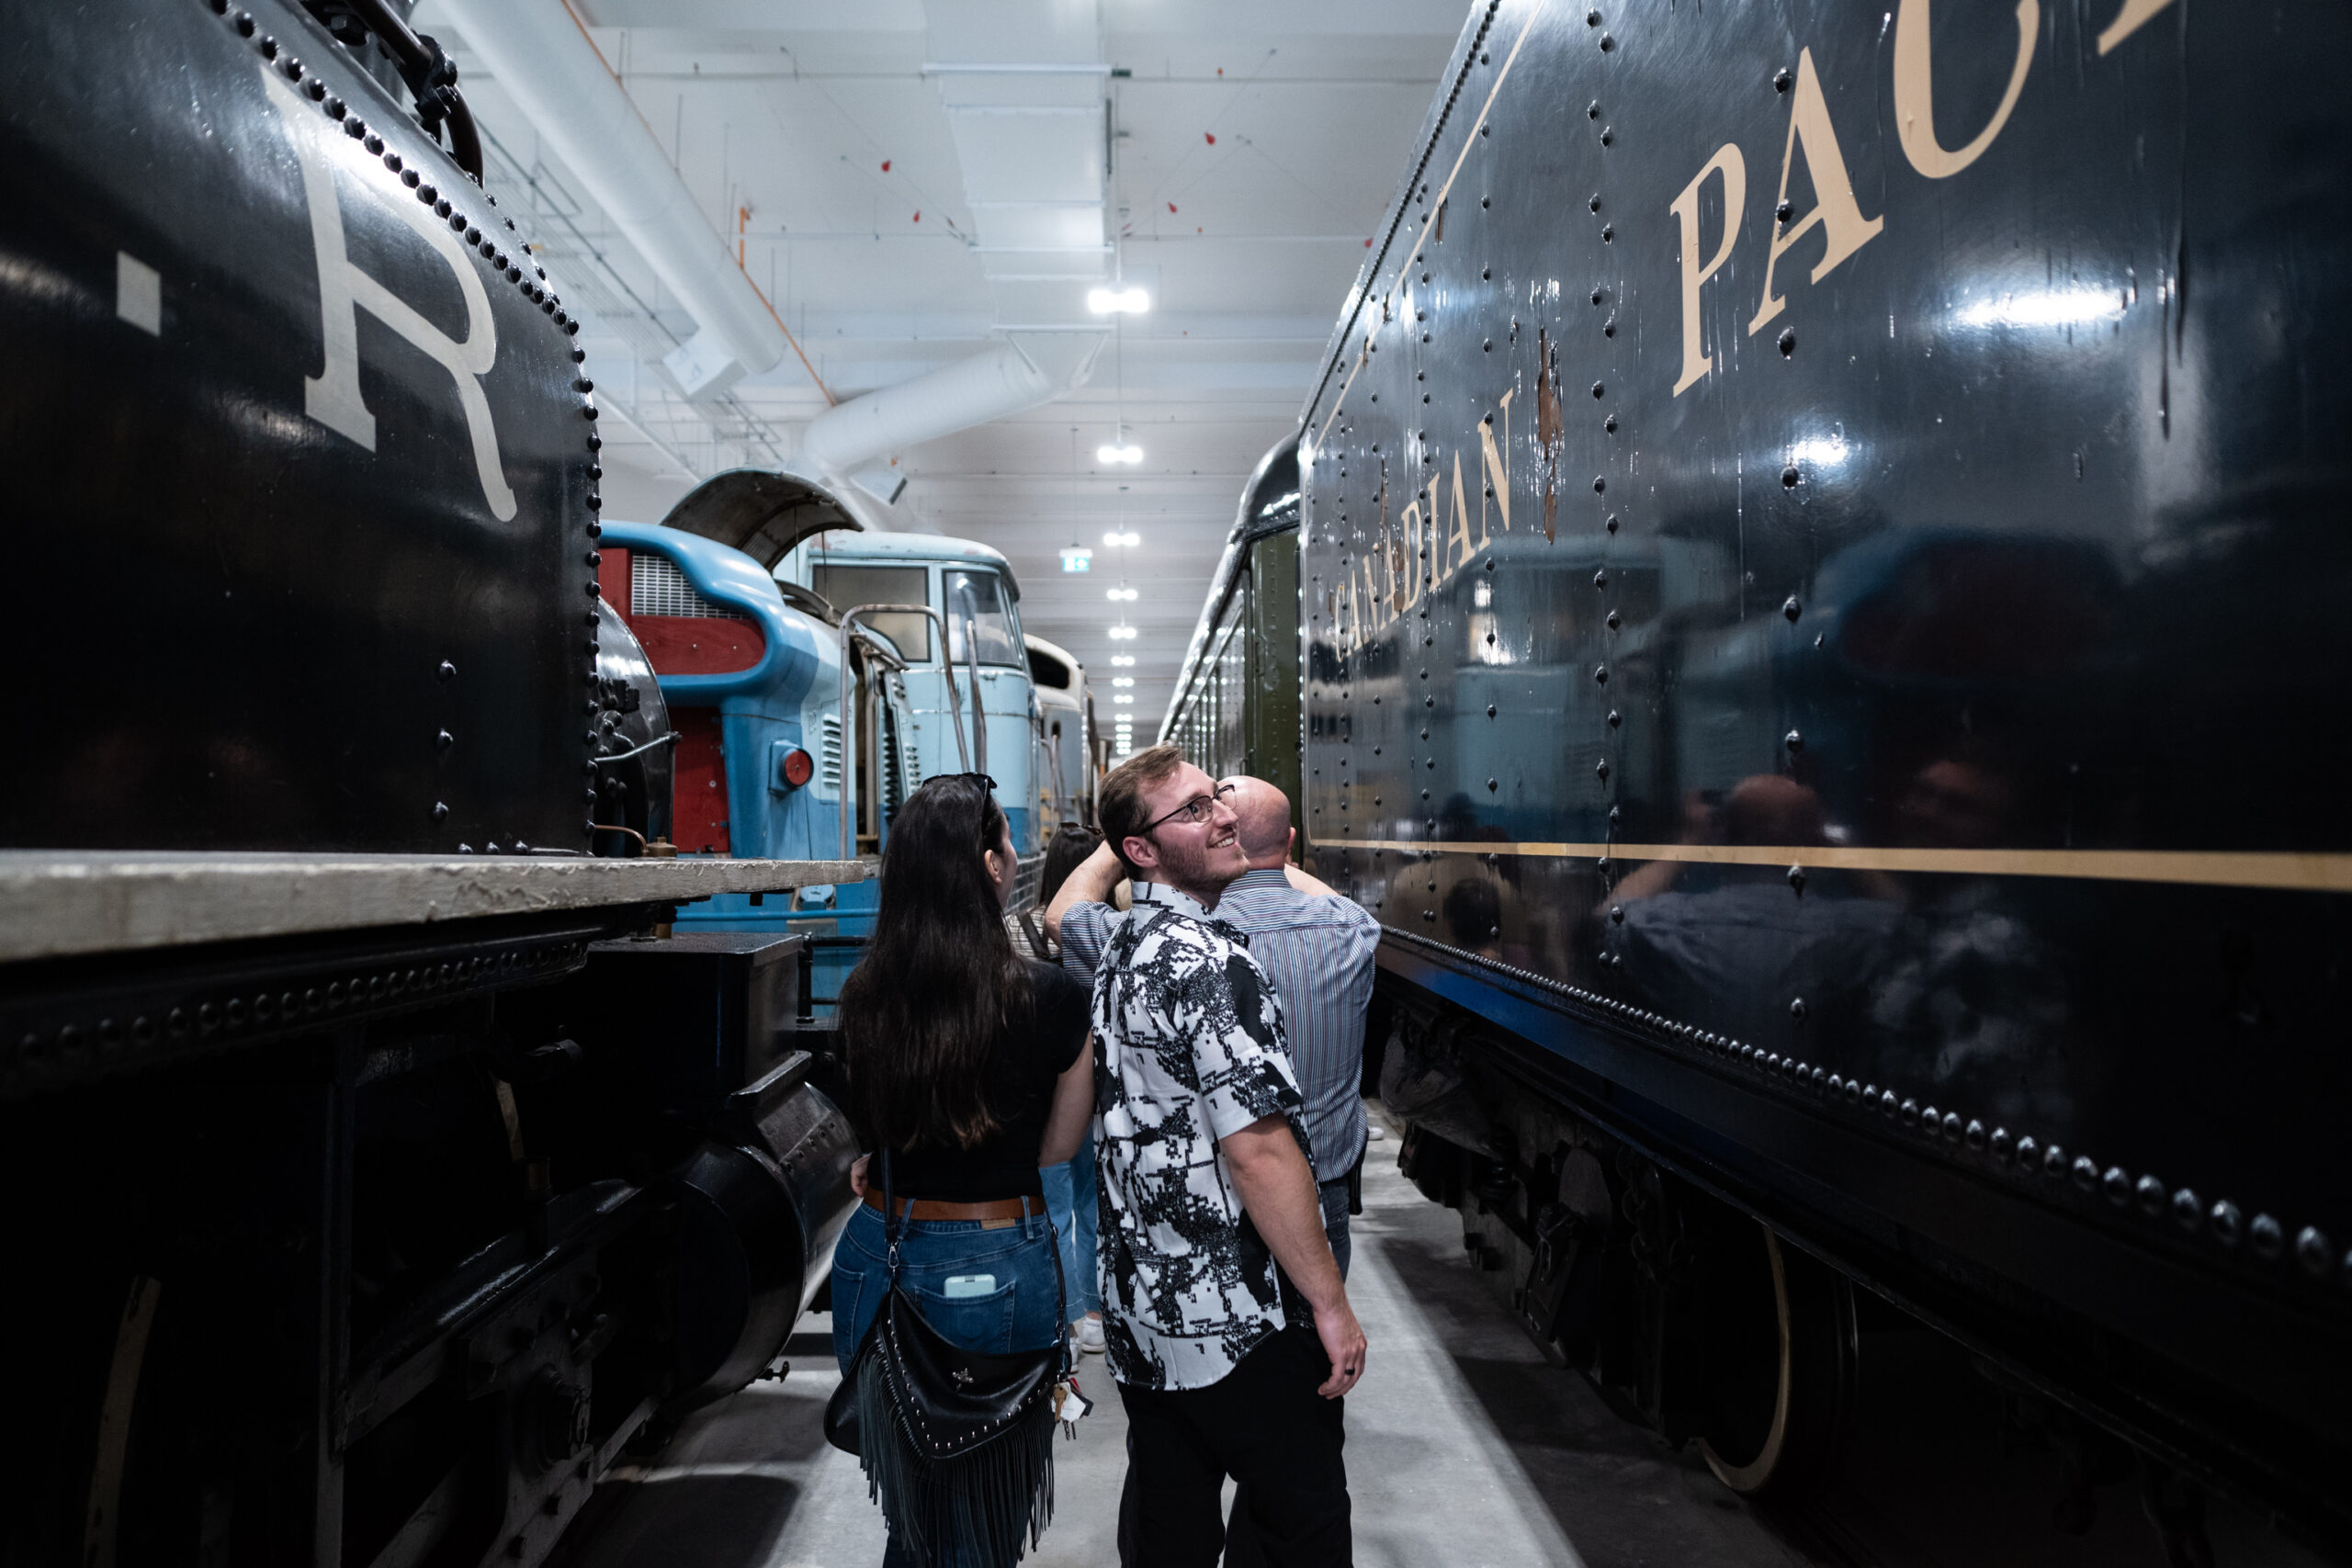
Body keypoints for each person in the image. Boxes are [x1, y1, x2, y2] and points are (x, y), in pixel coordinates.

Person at [1083, 745, 1367, 1568]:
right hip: (1238, 1318)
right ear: (1141, 849)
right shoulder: (1214, 959)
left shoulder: (1121, 950)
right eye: (1196, 810)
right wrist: (1330, 1303)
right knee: (1301, 1525)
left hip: (1147, 1312)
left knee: (1169, 1522)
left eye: (1218, 799)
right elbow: (1259, 1150)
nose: (1225, 816)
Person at [830, 774, 1096, 1568]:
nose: (1016, 855)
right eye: (1009, 842)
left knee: (912, 1509)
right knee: (982, 1518)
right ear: (988, 864)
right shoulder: (1052, 997)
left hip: (878, 1253)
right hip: (996, 1264)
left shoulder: (865, 994)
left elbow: (877, 1129)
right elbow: (1056, 1149)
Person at [1048, 777, 1379, 1275]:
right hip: (1320, 1195)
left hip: (1206, 1205)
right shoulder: (1353, 931)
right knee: (1316, 1338)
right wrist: (1273, 860)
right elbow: (1333, 902)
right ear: (1290, 843)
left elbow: (1062, 915)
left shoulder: (1153, 941)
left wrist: (1121, 846)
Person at [1024, 822, 1111, 1356]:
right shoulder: (1106, 926)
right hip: (1097, 1083)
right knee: (1094, 1200)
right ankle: (1097, 1311)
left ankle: (1063, 1318)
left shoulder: (1018, 929)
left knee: (1051, 1203)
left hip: (1040, 1089)